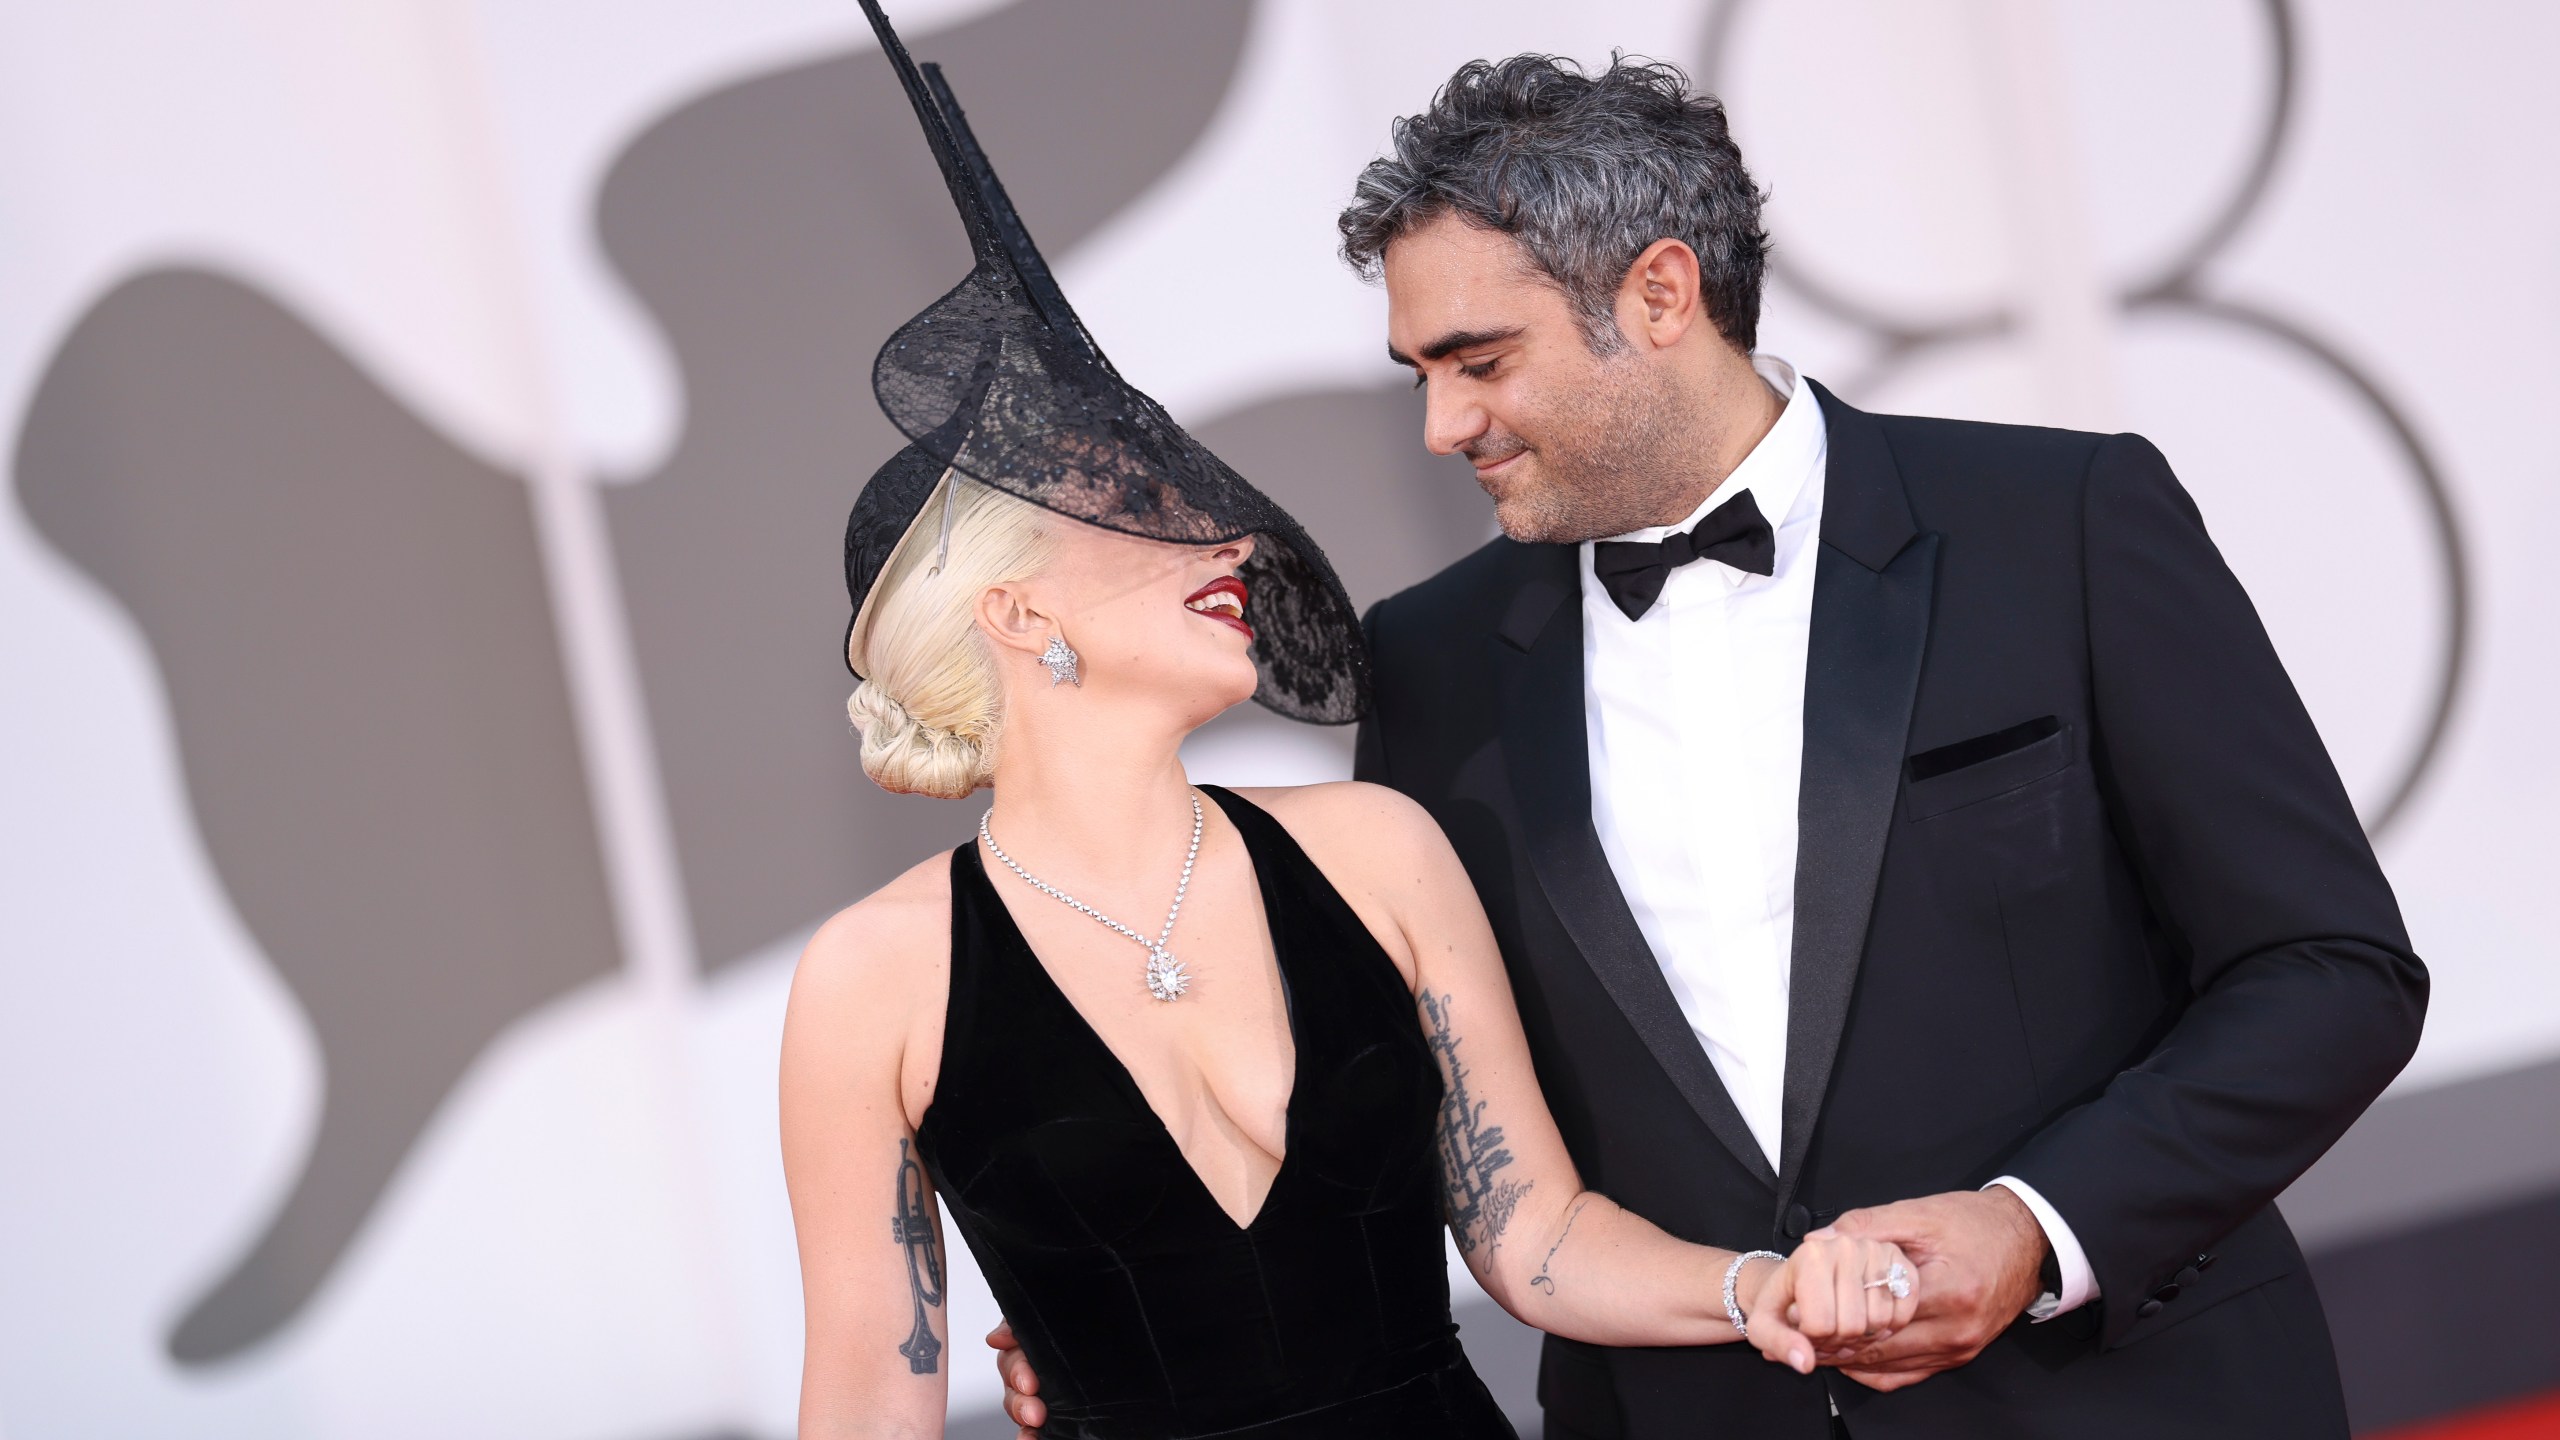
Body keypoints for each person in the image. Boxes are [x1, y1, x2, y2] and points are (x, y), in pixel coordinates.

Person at [985, 53, 2430, 1440]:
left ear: (1662, 292)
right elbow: (1420, 1111)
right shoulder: (1429, 663)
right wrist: (1127, 1303)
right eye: (1416, 372)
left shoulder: (2060, 525)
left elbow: (2327, 972)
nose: (1441, 424)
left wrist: (2034, 1227)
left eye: (1479, 359)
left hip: (2126, 1403)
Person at [786, 10, 1919, 1438]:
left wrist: (1755, 1286)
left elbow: (1534, 1238)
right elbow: (866, 1406)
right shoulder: (872, 981)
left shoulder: (1376, 850)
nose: (1226, 539)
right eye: (1143, 511)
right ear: (1015, 614)